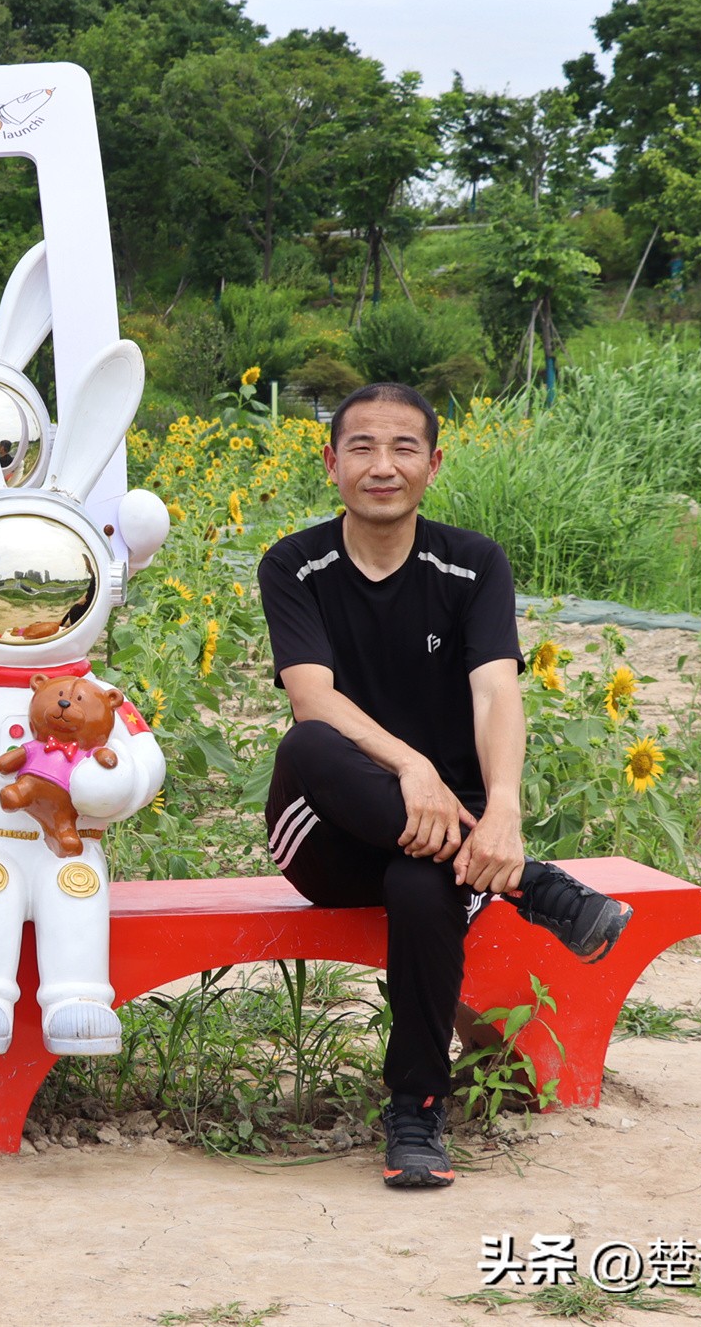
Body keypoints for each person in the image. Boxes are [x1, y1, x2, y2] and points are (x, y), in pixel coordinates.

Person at [256, 381, 631, 1189]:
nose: (381, 466)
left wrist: (503, 811)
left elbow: (498, 690)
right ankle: (533, 887)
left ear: (433, 462)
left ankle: (417, 1108)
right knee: (313, 741)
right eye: (361, 447)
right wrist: (413, 764)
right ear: (331, 464)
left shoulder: (473, 564)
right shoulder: (296, 564)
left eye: (402, 448)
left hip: (445, 842)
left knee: (425, 880)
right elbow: (311, 696)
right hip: (326, 833)